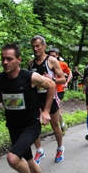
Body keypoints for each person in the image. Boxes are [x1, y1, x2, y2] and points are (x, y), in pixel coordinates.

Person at [0, 43, 54, 173]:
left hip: (31, 126)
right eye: (3, 59)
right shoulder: (0, 79)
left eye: (9, 59)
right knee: (29, 161)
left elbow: (51, 85)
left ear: (18, 60)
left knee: (12, 158)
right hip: (13, 126)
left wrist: (45, 111)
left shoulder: (29, 77)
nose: (5, 62)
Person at [29, 36, 66, 164]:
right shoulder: (31, 63)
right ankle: (39, 150)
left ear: (44, 46)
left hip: (50, 97)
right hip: (35, 98)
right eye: (33, 46)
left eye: (38, 46)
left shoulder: (51, 61)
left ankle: (60, 148)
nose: (35, 48)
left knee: (55, 126)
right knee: (33, 126)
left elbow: (63, 79)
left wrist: (51, 80)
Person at [48, 48, 71, 136]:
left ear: (57, 55)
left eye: (54, 56)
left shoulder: (62, 64)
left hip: (59, 90)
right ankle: (61, 125)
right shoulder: (47, 64)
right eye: (50, 56)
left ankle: (61, 126)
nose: (52, 57)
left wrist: (67, 83)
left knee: (57, 108)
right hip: (50, 90)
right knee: (55, 110)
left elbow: (70, 73)